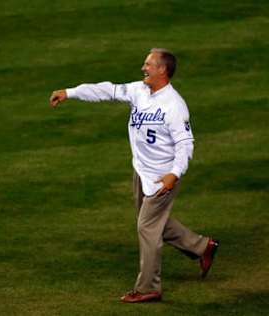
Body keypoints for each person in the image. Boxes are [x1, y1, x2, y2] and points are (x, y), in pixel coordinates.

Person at [49, 48, 219, 303]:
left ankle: (149, 287)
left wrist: (174, 174)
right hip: (142, 170)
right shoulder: (139, 90)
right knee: (152, 222)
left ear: (162, 70)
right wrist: (70, 92)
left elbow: (185, 144)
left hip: (164, 176)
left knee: (147, 227)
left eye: (148, 64)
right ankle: (202, 246)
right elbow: (106, 90)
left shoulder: (174, 105)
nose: (143, 68)